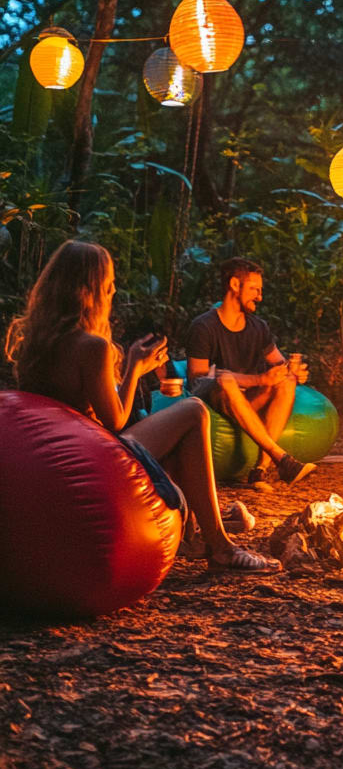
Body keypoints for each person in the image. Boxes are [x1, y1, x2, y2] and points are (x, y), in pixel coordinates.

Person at [4, 240, 267, 572]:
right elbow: (114, 421)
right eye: (109, 283)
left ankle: (200, 528)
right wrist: (134, 369)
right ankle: (220, 545)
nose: (114, 289)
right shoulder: (92, 347)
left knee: (174, 433)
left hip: (55, 456)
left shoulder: (34, 341)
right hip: (95, 456)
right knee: (194, 411)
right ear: (92, 289)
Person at [186, 256, 314, 485]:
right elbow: (198, 377)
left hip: (250, 401)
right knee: (224, 379)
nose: (260, 296)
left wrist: (293, 373)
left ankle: (261, 469)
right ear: (235, 285)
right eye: (254, 289)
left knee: (286, 382)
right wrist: (258, 379)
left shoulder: (259, 327)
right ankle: (281, 458)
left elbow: (280, 363)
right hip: (215, 402)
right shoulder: (203, 326)